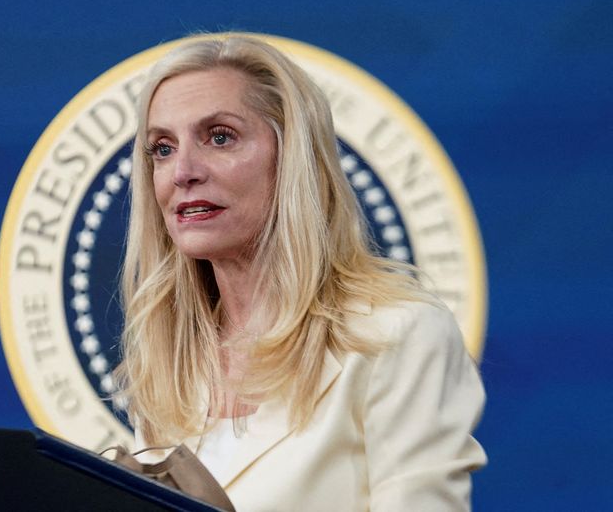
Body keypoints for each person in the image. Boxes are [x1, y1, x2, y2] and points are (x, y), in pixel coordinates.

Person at [114, 33, 486, 511]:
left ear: (292, 157)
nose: (183, 170)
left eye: (220, 137)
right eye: (161, 148)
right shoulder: (168, 364)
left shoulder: (399, 335)